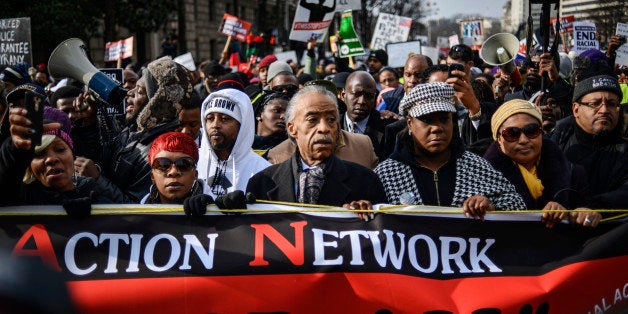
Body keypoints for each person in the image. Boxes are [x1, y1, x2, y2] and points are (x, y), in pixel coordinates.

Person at [374, 82, 526, 219]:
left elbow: (517, 204)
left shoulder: (476, 165)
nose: (437, 128)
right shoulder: (386, 174)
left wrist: (491, 206)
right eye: (427, 120)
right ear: (409, 123)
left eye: (444, 119)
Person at [247, 85, 387, 221]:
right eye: (312, 120)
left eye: (331, 120)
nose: (324, 128)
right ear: (292, 128)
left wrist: (363, 218)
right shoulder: (262, 184)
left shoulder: (365, 181)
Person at [77, 56, 194, 203]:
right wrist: (90, 121)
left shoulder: (160, 152)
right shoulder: (134, 130)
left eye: (139, 91)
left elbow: (137, 209)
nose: (129, 93)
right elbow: (104, 158)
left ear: (156, 102)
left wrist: (97, 179)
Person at [484, 99, 600, 227]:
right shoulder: (480, 178)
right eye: (512, 133)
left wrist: (576, 214)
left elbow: (587, 212)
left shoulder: (574, 173)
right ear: (499, 139)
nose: (523, 140)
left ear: (541, 132)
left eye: (531, 130)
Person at [0, 106, 116, 210]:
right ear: (29, 167)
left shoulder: (98, 197)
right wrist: (12, 148)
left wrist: (95, 217)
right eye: (39, 154)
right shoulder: (20, 199)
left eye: (60, 150)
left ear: (73, 157)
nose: (51, 159)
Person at [550, 74, 627, 213]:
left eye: (611, 104)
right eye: (595, 104)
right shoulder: (552, 144)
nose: (604, 110)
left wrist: (595, 208)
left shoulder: (625, 151)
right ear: (576, 109)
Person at [198, 88, 270, 199]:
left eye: (224, 119)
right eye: (210, 118)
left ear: (242, 126)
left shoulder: (263, 171)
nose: (215, 125)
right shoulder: (190, 163)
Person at [341, 71, 395, 160]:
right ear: (343, 95)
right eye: (356, 94)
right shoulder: (332, 126)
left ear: (374, 98)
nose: (362, 101)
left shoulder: (389, 129)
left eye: (368, 96)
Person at [141, 132, 204, 204]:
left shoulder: (216, 210)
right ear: (152, 176)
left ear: (195, 174)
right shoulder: (135, 213)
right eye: (163, 165)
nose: (173, 172)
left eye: (183, 165)